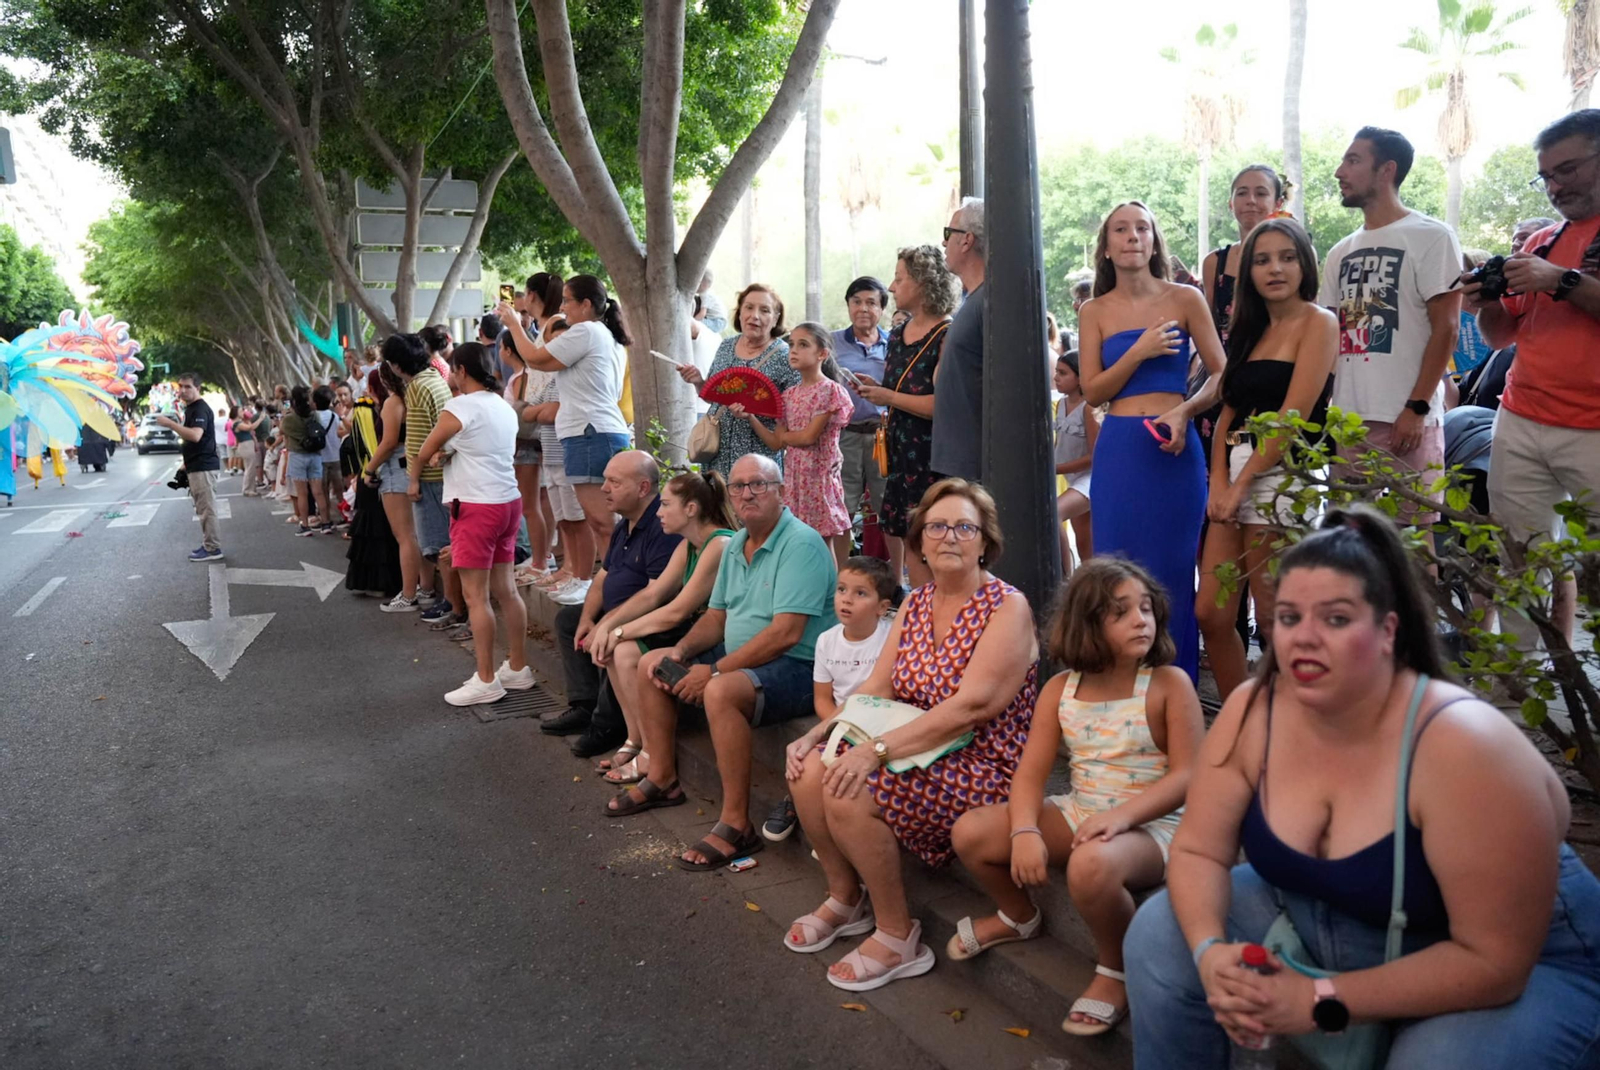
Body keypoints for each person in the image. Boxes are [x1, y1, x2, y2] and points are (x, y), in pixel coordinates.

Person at [1124, 506, 1600, 1067]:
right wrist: (1210, 955)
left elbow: (1494, 962)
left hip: (1523, 964)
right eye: (1291, 617)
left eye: (1337, 619)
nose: (1305, 639)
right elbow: (1200, 850)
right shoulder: (1255, 709)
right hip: (1338, 916)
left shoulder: (1464, 746)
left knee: (1439, 1062)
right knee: (1161, 934)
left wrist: (1318, 1000)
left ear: (1387, 630)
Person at [779, 479, 1038, 992]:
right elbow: (876, 688)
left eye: (965, 527)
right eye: (936, 527)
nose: (949, 537)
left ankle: (898, 935)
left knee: (851, 789)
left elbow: (971, 708)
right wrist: (819, 734)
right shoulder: (917, 603)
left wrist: (874, 752)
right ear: (918, 542)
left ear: (985, 541)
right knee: (810, 769)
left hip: (983, 762)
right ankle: (845, 897)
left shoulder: (1007, 607)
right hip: (913, 744)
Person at [948, 558, 1202, 1033]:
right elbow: (1029, 773)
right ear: (1086, 624)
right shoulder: (1061, 690)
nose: (1140, 620)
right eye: (1121, 612)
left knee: (1090, 864)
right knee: (971, 832)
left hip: (1155, 825)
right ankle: (1019, 914)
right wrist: (1024, 829)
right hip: (1083, 810)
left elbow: (1189, 775)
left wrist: (1123, 817)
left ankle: (1117, 968)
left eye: (1146, 609)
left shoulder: (1168, 684)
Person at [606, 455, 837, 868]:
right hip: (744, 655)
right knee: (651, 663)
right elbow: (716, 618)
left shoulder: (800, 543)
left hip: (802, 666)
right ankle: (662, 776)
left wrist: (713, 671)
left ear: (781, 491)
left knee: (720, 690)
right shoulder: (736, 544)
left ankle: (737, 825)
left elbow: (786, 634)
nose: (747, 494)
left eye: (759, 485)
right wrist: (680, 653)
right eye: (738, 486)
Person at [1078, 201, 1226, 683]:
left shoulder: (1185, 299)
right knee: (1117, 569)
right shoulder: (1094, 310)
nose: (1132, 237)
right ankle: (1120, 685)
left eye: (1142, 228)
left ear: (1154, 240)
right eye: (1120, 229)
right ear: (1106, 247)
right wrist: (1139, 352)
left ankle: (1174, 689)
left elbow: (1222, 374)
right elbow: (1094, 390)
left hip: (1174, 449)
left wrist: (1185, 410)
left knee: (1174, 572)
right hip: (1121, 449)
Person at [1469, 110, 1600, 651]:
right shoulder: (1542, 240)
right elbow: (1500, 335)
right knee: (1520, 561)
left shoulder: (1553, 260)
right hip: (1522, 419)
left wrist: (1562, 281)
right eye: (1545, 175)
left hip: (1593, 429)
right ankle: (1524, 690)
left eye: (1567, 169)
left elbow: (1565, 289)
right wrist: (1486, 299)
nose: (1554, 186)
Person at [1197, 218, 1338, 701]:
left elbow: (1291, 416)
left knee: (1274, 608)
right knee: (1211, 614)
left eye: (1286, 257)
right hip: (1234, 470)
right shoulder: (1249, 330)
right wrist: (1219, 481)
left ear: (1305, 264)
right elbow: (1227, 410)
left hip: (1285, 473)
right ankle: (1246, 715)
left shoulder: (1319, 322)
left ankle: (1295, 721)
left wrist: (1240, 485)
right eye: (1261, 260)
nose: (1275, 268)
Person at [1320, 126, 1462, 526]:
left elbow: (1447, 328)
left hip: (1408, 420)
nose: (1339, 172)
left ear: (1387, 170)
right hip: (1348, 421)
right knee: (1348, 545)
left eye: (1352, 160)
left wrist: (1416, 408)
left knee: (1415, 548)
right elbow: (1330, 337)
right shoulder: (1339, 252)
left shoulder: (1432, 236)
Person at [584, 469, 737, 785]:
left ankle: (651, 753)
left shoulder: (719, 544)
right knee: (617, 647)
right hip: (696, 631)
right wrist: (608, 625)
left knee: (626, 651)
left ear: (691, 509)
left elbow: (676, 612)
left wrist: (619, 631)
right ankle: (635, 739)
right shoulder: (688, 544)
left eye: (666, 504)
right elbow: (654, 594)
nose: (659, 512)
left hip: (718, 639)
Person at [414, 342, 534, 706]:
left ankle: (485, 679)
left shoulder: (459, 406)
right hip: (507, 501)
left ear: (462, 371)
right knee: (507, 590)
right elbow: (495, 449)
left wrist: (426, 466)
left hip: (475, 507)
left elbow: (424, 449)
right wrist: (451, 452)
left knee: (475, 597)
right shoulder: (503, 406)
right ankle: (517, 667)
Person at [542, 451, 682, 757]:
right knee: (570, 621)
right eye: (605, 479)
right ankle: (584, 706)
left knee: (610, 643)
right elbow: (603, 576)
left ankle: (608, 724)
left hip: (649, 618)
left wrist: (607, 625)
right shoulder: (625, 523)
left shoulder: (662, 526)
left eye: (614, 482)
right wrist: (588, 619)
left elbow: (654, 596)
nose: (604, 488)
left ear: (643, 488)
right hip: (621, 610)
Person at [497, 274, 631, 573]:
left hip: (590, 432)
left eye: (567, 301)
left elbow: (533, 358)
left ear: (585, 304)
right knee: (599, 521)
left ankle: (614, 585)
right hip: (593, 431)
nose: (563, 307)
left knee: (601, 521)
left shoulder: (585, 331)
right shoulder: (601, 334)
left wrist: (513, 324)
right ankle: (607, 584)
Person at [762, 555, 898, 843]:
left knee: (843, 774)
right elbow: (822, 698)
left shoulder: (890, 638)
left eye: (860, 593)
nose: (846, 600)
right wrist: (839, 728)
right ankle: (805, 813)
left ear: (883, 608)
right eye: (841, 590)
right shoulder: (827, 640)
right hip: (838, 721)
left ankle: (843, 832)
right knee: (805, 764)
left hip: (881, 725)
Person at [858, 244, 960, 589]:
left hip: (933, 457)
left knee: (934, 540)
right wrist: (880, 389)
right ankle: (920, 612)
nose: (891, 286)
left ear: (922, 283)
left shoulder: (948, 334)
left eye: (899, 278)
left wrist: (888, 397)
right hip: (901, 452)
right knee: (909, 539)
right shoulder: (898, 334)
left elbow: (942, 405)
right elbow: (901, 390)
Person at [732, 323, 855, 566]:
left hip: (819, 478)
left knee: (822, 540)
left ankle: (831, 595)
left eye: (803, 345)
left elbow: (808, 437)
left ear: (822, 354)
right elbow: (775, 443)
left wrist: (786, 437)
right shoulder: (788, 396)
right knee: (798, 540)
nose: (794, 351)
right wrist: (752, 418)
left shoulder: (830, 390)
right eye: (792, 345)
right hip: (795, 480)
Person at [674, 283, 795, 479]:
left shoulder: (785, 357)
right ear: (739, 313)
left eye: (764, 310)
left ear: (775, 319)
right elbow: (714, 397)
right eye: (748, 307)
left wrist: (752, 416)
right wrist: (698, 381)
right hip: (717, 453)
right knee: (718, 506)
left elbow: (792, 416)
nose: (754, 315)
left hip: (758, 459)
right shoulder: (726, 346)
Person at [521, 318, 597, 605]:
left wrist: (547, 412)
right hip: (549, 457)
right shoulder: (551, 378)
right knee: (564, 520)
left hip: (570, 455)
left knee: (580, 521)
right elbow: (530, 413)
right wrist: (546, 410)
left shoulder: (575, 378)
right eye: (556, 342)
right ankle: (569, 570)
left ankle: (583, 577)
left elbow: (554, 413)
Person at [384, 333, 454, 616]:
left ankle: (451, 604)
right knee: (446, 545)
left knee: (439, 548)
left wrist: (412, 479)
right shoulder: (436, 380)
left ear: (397, 366)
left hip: (429, 477)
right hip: (444, 473)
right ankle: (450, 602)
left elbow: (417, 441)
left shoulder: (415, 389)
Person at [930, 197, 986, 481]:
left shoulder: (988, 301)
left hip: (974, 463)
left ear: (966, 241)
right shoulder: (971, 301)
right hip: (958, 459)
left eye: (948, 234)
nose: (944, 243)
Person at [362, 363, 425, 612]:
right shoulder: (415, 395)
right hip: (412, 465)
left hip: (395, 469)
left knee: (405, 536)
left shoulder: (393, 402)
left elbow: (388, 442)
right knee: (418, 534)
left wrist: (369, 469)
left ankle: (408, 594)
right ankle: (425, 588)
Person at [832, 276, 891, 538]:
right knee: (843, 508)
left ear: (881, 309)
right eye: (856, 302)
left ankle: (897, 573)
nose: (863, 309)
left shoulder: (895, 344)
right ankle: (842, 573)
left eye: (871, 303)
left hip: (883, 436)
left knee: (889, 508)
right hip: (846, 435)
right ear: (848, 305)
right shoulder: (831, 343)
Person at [1202, 165, 1288, 344]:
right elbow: (1208, 330)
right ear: (1231, 203)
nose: (1251, 200)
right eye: (1242, 193)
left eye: (1261, 193)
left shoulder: (1295, 257)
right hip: (1228, 367)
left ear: (1278, 203)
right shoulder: (1214, 263)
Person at [342, 373, 402, 597]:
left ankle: (377, 582)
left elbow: (363, 443)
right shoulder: (398, 404)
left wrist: (369, 470)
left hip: (372, 473)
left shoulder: (366, 408)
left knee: (375, 529)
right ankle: (387, 582)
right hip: (381, 471)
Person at [154, 373, 224, 562]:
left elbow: (195, 435)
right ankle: (209, 545)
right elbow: (204, 441)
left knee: (207, 509)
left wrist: (170, 424)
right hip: (196, 465)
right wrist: (187, 463)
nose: (183, 391)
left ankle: (213, 548)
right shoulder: (192, 409)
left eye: (188, 387)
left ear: (197, 388)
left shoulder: (199, 409)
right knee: (203, 508)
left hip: (203, 467)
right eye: (181, 387)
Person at [1053, 349, 1095, 573]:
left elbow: (1094, 456)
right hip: (1072, 478)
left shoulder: (1089, 408)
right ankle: (1090, 584)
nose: (1056, 377)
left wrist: (1057, 468)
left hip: (1088, 479)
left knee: (1054, 512)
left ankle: (1063, 579)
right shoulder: (1061, 404)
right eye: (1057, 372)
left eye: (1063, 373)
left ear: (1079, 378)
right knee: (1084, 543)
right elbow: (1060, 442)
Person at [281, 385, 333, 538]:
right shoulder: (314, 415)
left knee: (302, 494)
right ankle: (326, 523)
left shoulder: (289, 419)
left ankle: (305, 525)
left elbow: (284, 431)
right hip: (315, 456)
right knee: (318, 492)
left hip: (297, 456)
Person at [313, 385, 347, 528]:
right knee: (340, 490)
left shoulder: (314, 417)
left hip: (320, 458)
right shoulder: (335, 415)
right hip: (336, 456)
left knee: (323, 491)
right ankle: (344, 516)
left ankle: (326, 519)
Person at [698, 269, 728, 334]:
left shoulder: (705, 295)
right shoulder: (709, 293)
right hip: (720, 321)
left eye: (700, 283)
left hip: (717, 322)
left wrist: (691, 321)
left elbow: (702, 314)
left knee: (697, 323)